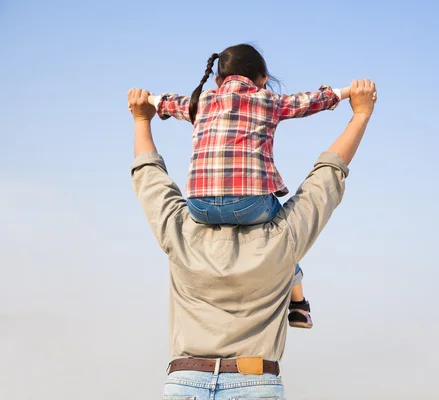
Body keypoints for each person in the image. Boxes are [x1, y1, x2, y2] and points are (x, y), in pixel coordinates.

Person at [128, 78, 377, 399]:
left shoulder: (180, 231)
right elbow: (326, 178)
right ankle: (299, 303)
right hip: (253, 380)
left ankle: (298, 301)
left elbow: (149, 177)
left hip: (186, 380)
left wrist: (141, 120)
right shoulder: (281, 238)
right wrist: (360, 115)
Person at [145, 44, 353, 329]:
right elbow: (310, 102)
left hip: (199, 206)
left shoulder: (201, 101)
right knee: (286, 236)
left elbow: (165, 103)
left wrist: (147, 98)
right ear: (263, 78)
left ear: (218, 80)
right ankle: (298, 305)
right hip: (250, 204)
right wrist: (347, 92)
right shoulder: (267, 100)